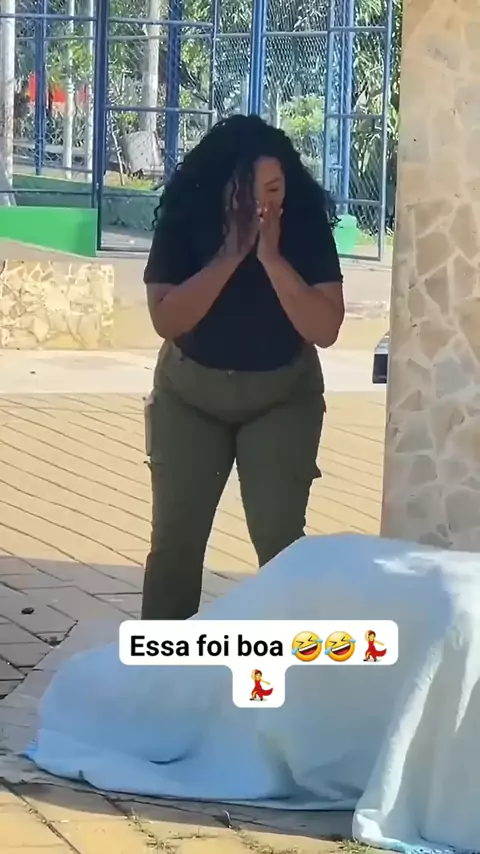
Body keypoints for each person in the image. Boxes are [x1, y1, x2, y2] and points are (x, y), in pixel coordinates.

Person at [142, 114, 344, 621]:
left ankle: (289, 660)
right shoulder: (187, 214)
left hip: (281, 395)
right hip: (190, 395)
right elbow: (166, 319)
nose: (264, 205)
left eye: (274, 189)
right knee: (175, 545)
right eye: (250, 192)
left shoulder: (301, 219)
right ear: (222, 187)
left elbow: (325, 328)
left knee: (280, 541)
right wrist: (230, 255)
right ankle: (160, 664)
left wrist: (272, 259)